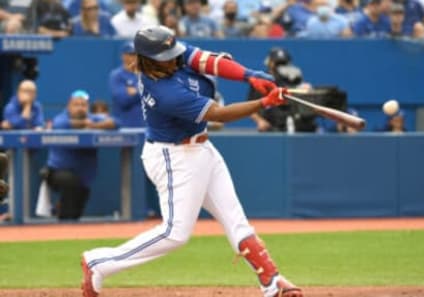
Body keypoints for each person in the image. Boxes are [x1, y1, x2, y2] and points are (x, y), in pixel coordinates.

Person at [81, 25, 303, 297]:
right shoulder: (165, 92)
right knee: (175, 234)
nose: (176, 57)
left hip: (201, 148)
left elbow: (208, 61)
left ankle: (272, 281)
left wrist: (250, 76)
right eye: (168, 55)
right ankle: (99, 262)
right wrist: (264, 103)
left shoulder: (168, 55)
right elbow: (219, 114)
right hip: (173, 156)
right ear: (150, 59)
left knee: (236, 220)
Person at [46, 90, 117, 221]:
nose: (80, 108)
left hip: (84, 176)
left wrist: (94, 125)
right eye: (76, 104)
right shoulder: (61, 118)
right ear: (69, 106)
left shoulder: (92, 118)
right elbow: (59, 125)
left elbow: (115, 122)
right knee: (71, 183)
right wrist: (87, 124)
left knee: (77, 211)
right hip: (57, 172)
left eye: (83, 105)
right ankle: (63, 223)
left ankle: (69, 227)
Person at [110, 41, 143, 127]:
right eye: (131, 54)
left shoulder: (146, 74)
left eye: (136, 54)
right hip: (124, 124)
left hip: (145, 125)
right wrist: (141, 90)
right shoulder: (117, 75)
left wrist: (135, 91)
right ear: (123, 56)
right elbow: (122, 100)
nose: (134, 57)